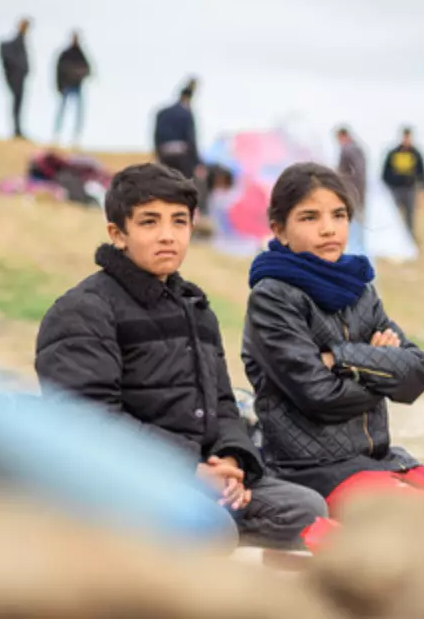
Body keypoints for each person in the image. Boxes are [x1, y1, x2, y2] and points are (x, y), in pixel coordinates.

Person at [34, 163, 327, 547]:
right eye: (149, 222)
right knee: (209, 527)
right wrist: (188, 470)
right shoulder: (84, 310)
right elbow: (86, 420)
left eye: (179, 222)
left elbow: (223, 404)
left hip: (198, 474)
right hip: (119, 477)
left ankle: (195, 528)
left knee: (306, 509)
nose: (167, 236)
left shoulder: (195, 307)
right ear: (117, 234)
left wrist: (231, 461)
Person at [241, 162, 424, 515]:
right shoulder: (272, 297)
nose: (328, 229)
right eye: (309, 217)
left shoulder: (359, 290)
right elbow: (319, 394)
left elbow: (416, 375)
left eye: (338, 215)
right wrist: (379, 367)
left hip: (378, 458)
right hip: (310, 468)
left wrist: (342, 358)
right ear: (280, 230)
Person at [380, 127, 424, 240]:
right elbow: (385, 171)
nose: (406, 139)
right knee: (393, 215)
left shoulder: (416, 154)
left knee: (410, 216)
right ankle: (392, 238)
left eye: (409, 137)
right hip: (395, 189)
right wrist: (386, 186)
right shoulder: (393, 153)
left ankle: (409, 239)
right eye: (405, 137)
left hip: (410, 189)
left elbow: (421, 171)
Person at [153, 86, 202, 181]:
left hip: (165, 155)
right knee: (184, 183)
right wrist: (196, 162)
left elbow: (156, 136)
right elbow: (191, 138)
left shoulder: (162, 113)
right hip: (182, 156)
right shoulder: (186, 113)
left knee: (167, 183)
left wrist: (158, 154)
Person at [53, 31, 92, 146]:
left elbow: (88, 69)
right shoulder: (65, 54)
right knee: (62, 111)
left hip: (77, 87)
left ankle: (76, 137)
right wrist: (59, 85)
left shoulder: (80, 54)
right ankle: (57, 135)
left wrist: (80, 74)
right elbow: (59, 70)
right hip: (67, 86)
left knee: (78, 113)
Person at [335, 126, 367, 255]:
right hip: (360, 193)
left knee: (352, 226)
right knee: (359, 226)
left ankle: (355, 252)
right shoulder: (359, 149)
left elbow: (343, 173)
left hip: (350, 193)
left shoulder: (346, 150)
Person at [0, 18, 31, 140]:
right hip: (16, 78)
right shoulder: (16, 41)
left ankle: (18, 129)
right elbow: (5, 51)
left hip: (20, 78)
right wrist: (18, 69)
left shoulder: (22, 40)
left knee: (18, 105)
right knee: (16, 105)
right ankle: (16, 129)